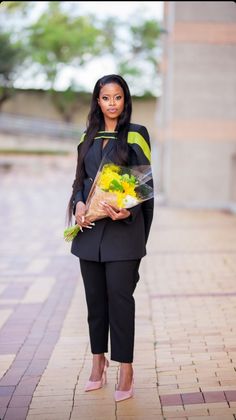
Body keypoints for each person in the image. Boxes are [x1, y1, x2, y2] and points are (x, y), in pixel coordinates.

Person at [67, 74, 154, 402]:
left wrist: (127, 213)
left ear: (125, 99)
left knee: (120, 301)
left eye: (117, 97)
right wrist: (77, 203)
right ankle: (97, 361)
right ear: (98, 101)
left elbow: (144, 184)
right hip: (90, 232)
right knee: (95, 303)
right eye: (106, 98)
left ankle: (125, 367)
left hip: (123, 233)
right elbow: (79, 180)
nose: (112, 104)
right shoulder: (87, 135)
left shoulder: (136, 134)